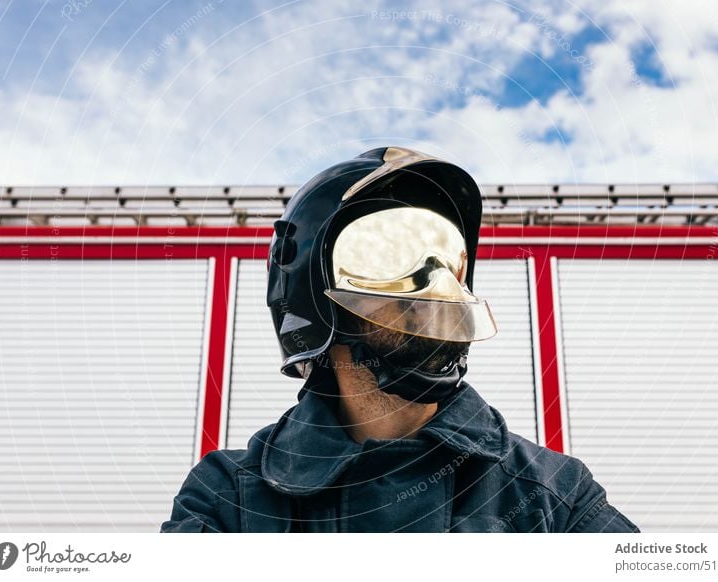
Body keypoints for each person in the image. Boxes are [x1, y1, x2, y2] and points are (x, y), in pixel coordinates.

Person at [161, 146, 639, 533]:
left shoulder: (553, 495)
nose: (434, 292)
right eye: (391, 259)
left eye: (446, 260)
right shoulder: (229, 498)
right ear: (315, 292)